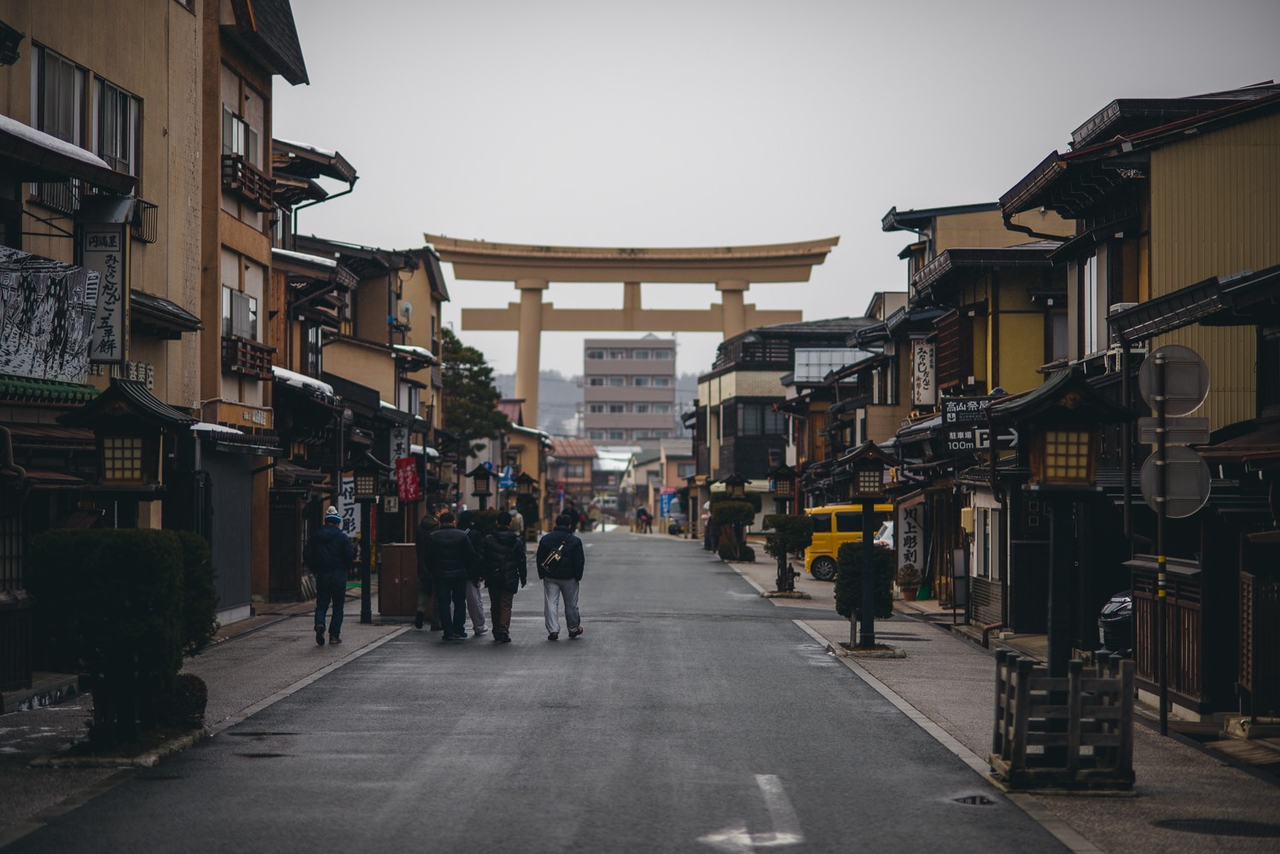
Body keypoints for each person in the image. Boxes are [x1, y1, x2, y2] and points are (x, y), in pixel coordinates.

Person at [304, 506, 355, 647]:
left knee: (322, 604)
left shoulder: (316, 536)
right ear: (337, 522)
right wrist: (344, 567)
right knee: (338, 607)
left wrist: (315, 568)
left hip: (323, 575)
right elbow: (350, 555)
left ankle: (320, 624)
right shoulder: (342, 537)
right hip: (338, 575)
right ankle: (334, 635)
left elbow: (307, 554)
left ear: (326, 521)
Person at [426, 512, 481, 641]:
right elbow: (471, 555)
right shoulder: (462, 536)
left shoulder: (433, 536)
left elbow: (428, 557)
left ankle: (447, 630)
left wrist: (433, 571)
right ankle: (459, 630)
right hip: (459, 574)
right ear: (454, 522)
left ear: (440, 522)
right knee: (459, 602)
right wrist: (468, 570)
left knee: (443, 603)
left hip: (441, 574)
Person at [536, 512, 585, 641]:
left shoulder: (546, 539)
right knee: (571, 604)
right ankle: (573, 628)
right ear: (569, 525)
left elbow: (540, 557)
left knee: (551, 602)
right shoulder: (575, 541)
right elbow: (579, 561)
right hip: (569, 577)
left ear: (556, 524)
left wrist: (542, 573)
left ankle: (553, 630)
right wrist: (577, 576)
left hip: (550, 576)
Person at [483, 511, 528, 643]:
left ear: (496, 522)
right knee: (506, 605)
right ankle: (503, 630)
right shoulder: (516, 541)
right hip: (510, 576)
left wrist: (482, 574)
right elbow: (521, 560)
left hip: (493, 575)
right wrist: (523, 577)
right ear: (510, 523)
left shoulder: (489, 539)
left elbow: (484, 558)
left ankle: (496, 630)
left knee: (495, 604)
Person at [456, 510, 489, 637]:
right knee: (474, 600)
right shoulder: (474, 534)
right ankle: (479, 625)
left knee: (455, 600)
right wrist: (480, 572)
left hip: (454, 571)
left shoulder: (454, 532)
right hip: (470, 572)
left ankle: (454, 624)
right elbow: (479, 555)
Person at [414, 501, 443, 631]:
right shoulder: (437, 527)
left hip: (422, 563)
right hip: (436, 564)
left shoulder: (420, 527)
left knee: (424, 590)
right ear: (436, 513)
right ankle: (436, 622)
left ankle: (420, 611)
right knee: (437, 593)